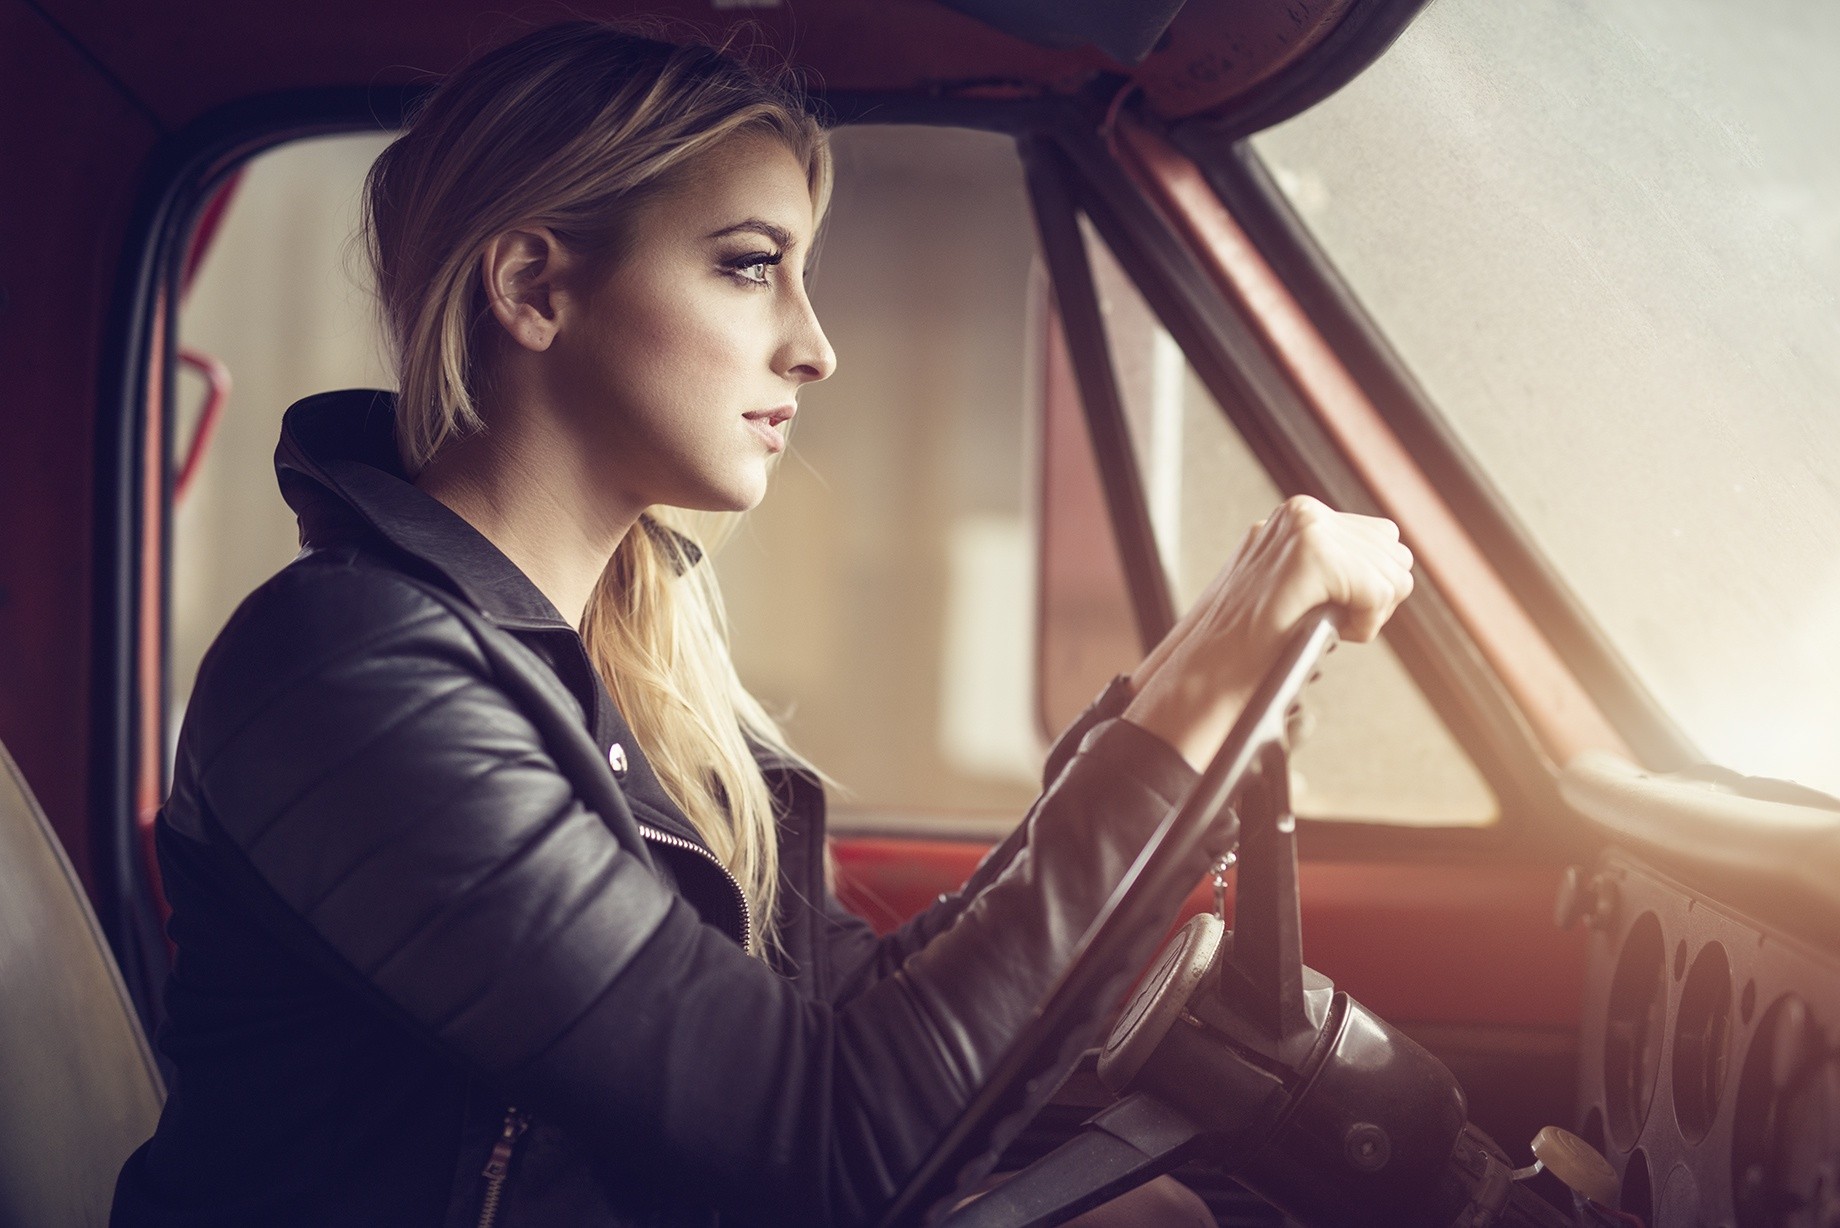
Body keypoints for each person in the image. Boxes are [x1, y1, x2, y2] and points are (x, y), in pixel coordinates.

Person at [111, 21, 1414, 1228]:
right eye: (750, 268)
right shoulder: (349, 675)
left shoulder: (616, 663)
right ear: (534, 288)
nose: (815, 346)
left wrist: (1179, 696)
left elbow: (850, 1016)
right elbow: (827, 1146)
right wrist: (1194, 707)